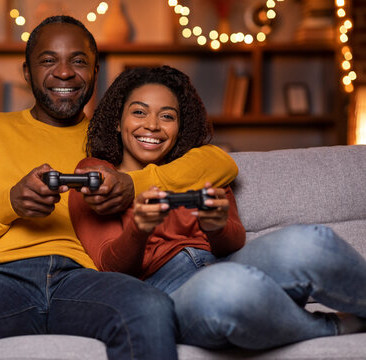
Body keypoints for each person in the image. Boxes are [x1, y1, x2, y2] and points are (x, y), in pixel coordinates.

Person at [0, 16, 239, 360]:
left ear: (95, 73)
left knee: (150, 307)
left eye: (78, 61)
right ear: (27, 72)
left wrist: (129, 183)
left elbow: (221, 163)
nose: (64, 72)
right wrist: (10, 204)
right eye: (48, 60)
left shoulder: (115, 137)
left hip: (83, 279)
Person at [69, 65, 366, 351]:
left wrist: (217, 225)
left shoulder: (197, 168)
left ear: (179, 127)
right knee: (226, 287)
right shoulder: (96, 173)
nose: (152, 125)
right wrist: (138, 229)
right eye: (139, 112)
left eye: (167, 116)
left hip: (227, 265)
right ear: (118, 121)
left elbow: (233, 241)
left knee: (311, 241)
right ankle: (331, 328)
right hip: (171, 293)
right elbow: (110, 267)